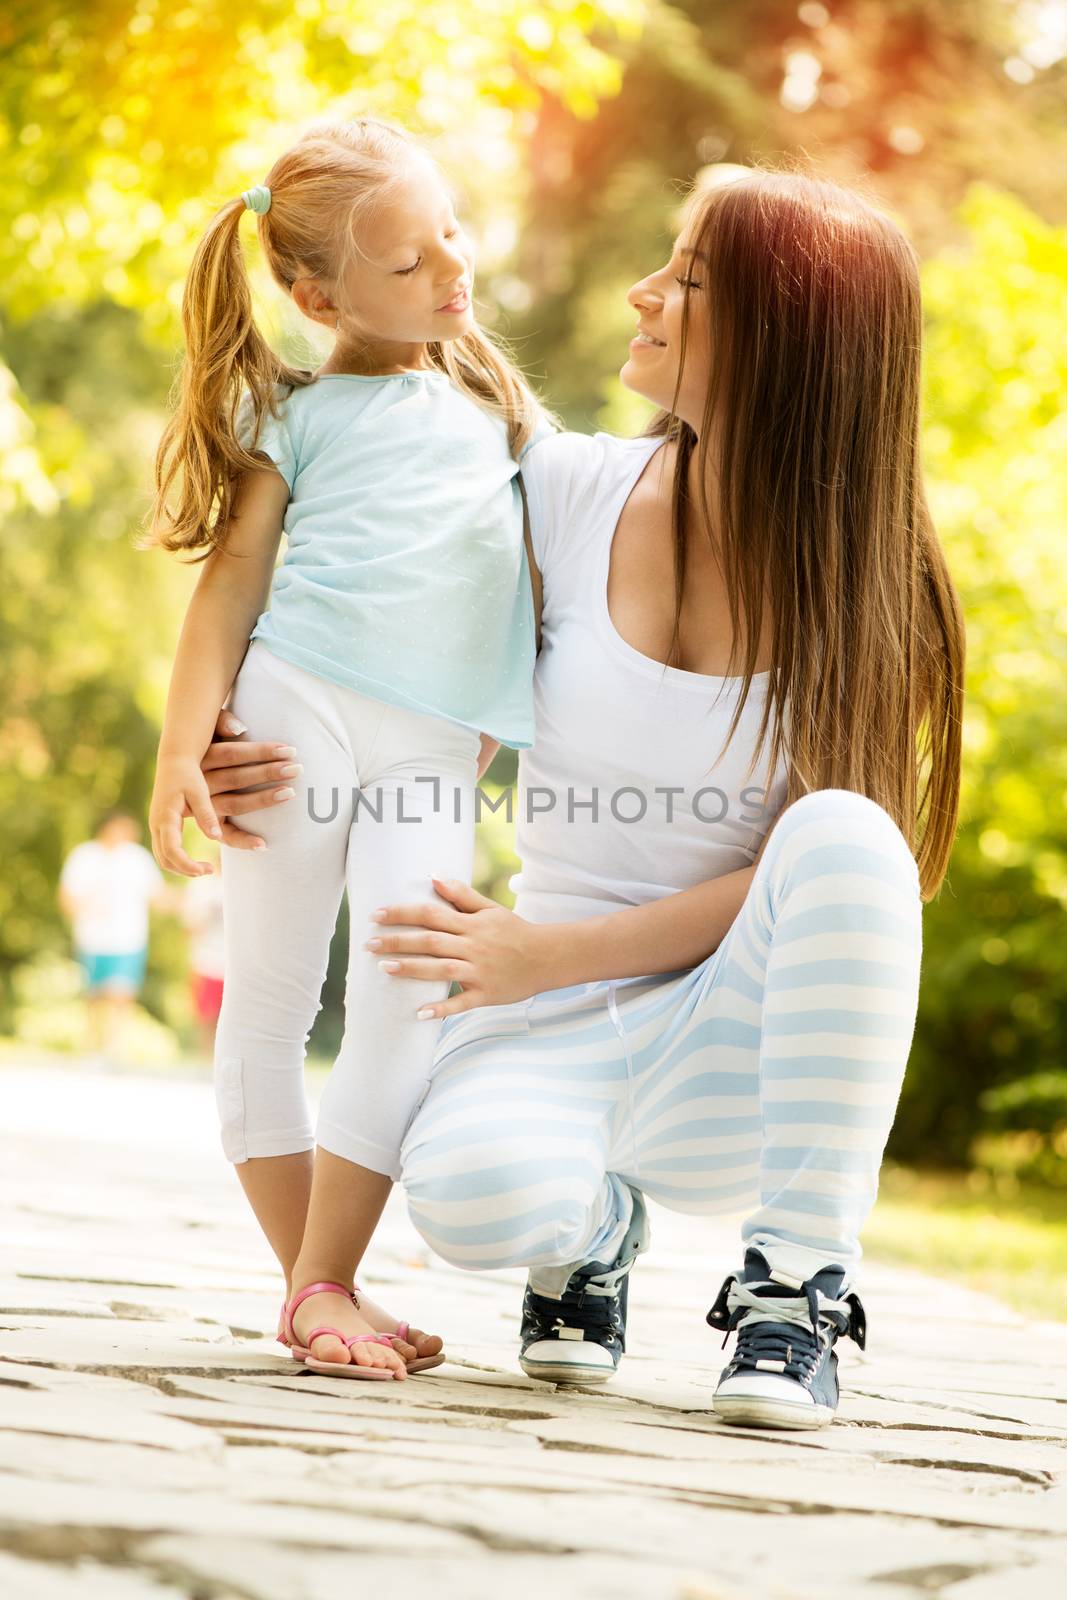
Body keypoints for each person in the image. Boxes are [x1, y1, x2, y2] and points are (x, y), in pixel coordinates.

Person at [193, 167, 965, 1430]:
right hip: (545, 1022)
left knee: (848, 840)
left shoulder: (872, 585)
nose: (641, 292)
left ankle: (793, 1285)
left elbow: (829, 883)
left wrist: (545, 952)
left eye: (688, 280)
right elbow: (366, 602)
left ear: (787, 337)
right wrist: (240, 727)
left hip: (728, 1045)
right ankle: (594, 1224)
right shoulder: (560, 492)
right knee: (467, 1201)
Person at [145, 118, 552, 1382]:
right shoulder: (296, 413)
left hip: (430, 743)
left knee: (408, 992)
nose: (451, 271)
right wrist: (177, 752)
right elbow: (229, 588)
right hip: (294, 714)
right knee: (270, 1002)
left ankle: (323, 1283)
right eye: (409, 264)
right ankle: (319, 1286)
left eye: (452, 234)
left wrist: (495, 724)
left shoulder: (499, 412)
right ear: (316, 294)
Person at [58, 810, 169, 1061]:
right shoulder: (85, 856)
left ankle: (114, 1048)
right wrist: (86, 908)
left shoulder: (137, 858)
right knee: (94, 995)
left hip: (128, 939)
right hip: (92, 938)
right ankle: (92, 1046)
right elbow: (67, 897)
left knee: (122, 992)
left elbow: (158, 896)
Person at [179, 854, 226, 1058]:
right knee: (206, 1016)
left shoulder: (251, 885)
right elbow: (189, 926)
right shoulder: (203, 887)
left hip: (239, 964)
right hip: (207, 960)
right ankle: (204, 1059)